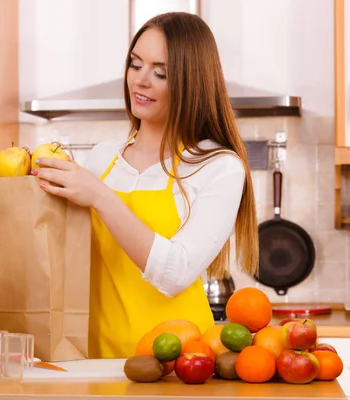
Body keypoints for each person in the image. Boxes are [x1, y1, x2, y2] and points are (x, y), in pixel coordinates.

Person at [31, 12, 259, 359]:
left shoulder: (218, 166)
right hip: (91, 359)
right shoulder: (101, 159)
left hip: (178, 365)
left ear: (191, 82)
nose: (140, 81)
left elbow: (176, 273)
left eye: (161, 72)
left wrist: (100, 197)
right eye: (135, 65)